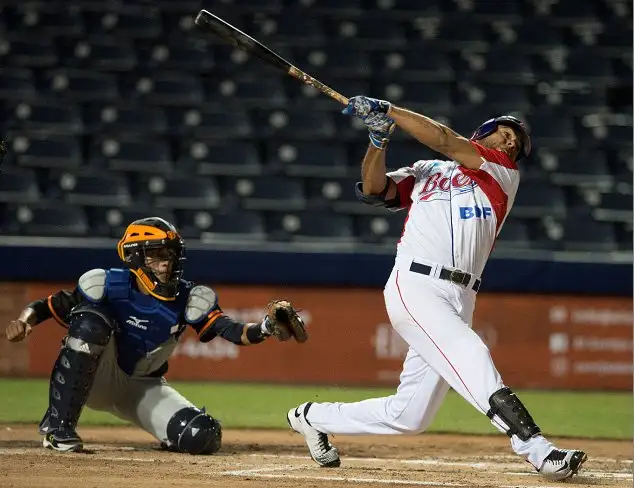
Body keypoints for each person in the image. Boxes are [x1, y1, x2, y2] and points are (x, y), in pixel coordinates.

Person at [286, 96, 587, 481]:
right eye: (506, 133)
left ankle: (312, 416)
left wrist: (389, 110)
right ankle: (538, 450)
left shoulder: (501, 172)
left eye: (518, 143)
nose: (512, 142)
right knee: (471, 353)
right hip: (416, 285)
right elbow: (374, 188)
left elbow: (444, 139)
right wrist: (378, 140)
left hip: (462, 296)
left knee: (410, 416)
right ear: (483, 132)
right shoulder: (426, 169)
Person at [6, 217, 302, 454]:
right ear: (135, 257)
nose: (166, 263)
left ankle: (166, 432)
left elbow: (233, 331)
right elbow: (48, 305)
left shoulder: (189, 296)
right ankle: (58, 428)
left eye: (170, 255)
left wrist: (266, 327)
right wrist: (23, 320)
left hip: (142, 386)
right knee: (90, 322)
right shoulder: (105, 284)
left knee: (201, 435)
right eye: (157, 255)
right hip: (97, 376)